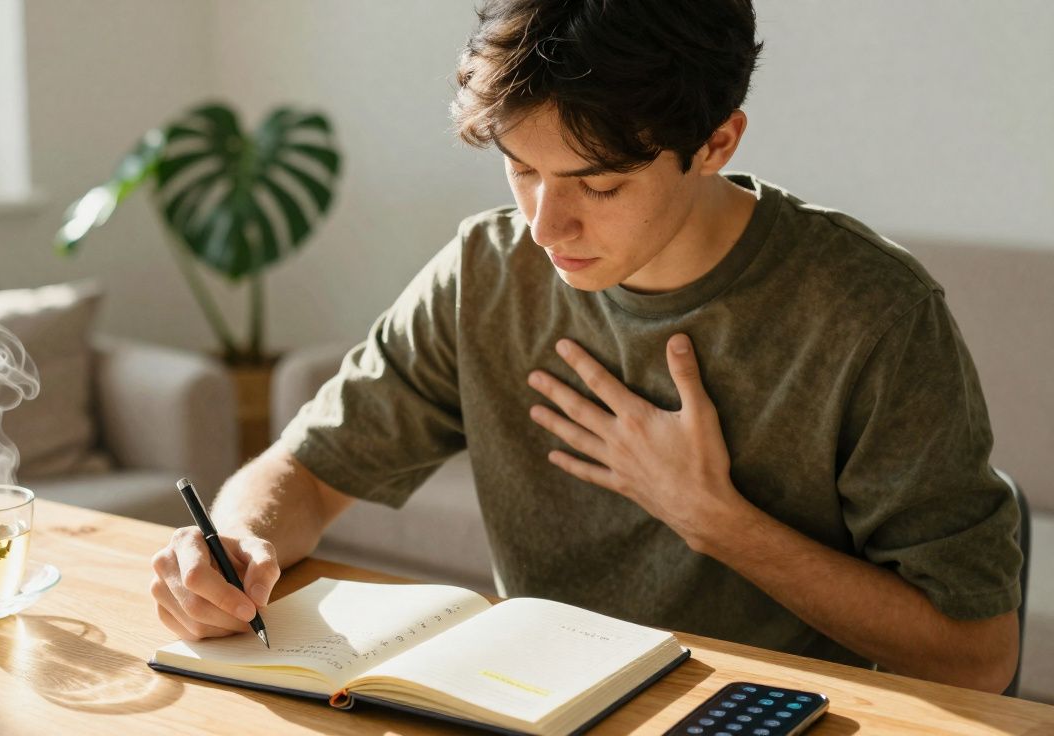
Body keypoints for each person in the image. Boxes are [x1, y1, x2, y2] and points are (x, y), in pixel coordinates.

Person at [150, 0, 1021, 692]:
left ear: (717, 142)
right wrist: (230, 547)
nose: (543, 225)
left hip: (764, 713)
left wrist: (715, 519)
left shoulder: (870, 311)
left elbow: (977, 655)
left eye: (598, 184)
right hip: (529, 702)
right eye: (521, 168)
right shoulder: (486, 270)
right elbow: (303, 471)